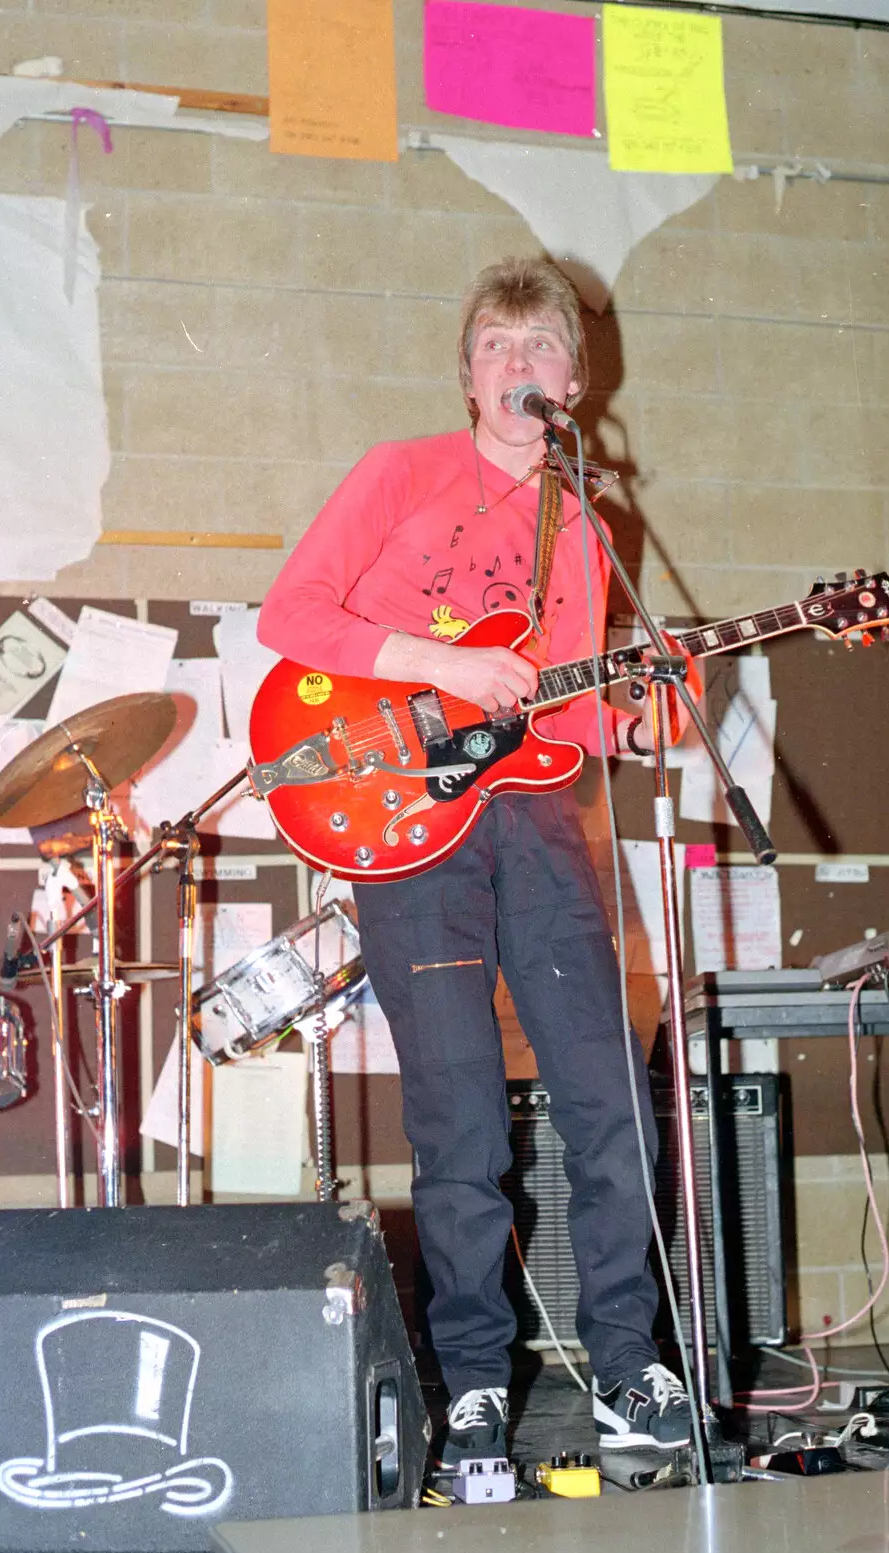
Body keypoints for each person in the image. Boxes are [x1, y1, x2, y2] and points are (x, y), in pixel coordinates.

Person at [258, 257, 695, 1466]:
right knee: (459, 1125)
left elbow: (549, 706)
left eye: (540, 349)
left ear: (575, 379)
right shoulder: (402, 476)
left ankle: (627, 1366)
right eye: (497, 349)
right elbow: (292, 615)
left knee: (614, 1108)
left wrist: (636, 716)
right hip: (407, 825)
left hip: (540, 823)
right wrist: (439, 664)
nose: (519, 367)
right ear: (467, 376)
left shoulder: (589, 525)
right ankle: (473, 1384)